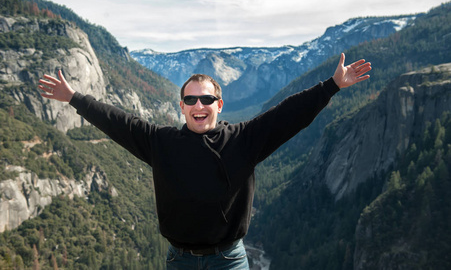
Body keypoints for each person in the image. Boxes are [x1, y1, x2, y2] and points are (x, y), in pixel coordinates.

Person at [38, 53, 371, 270]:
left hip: (230, 260)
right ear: (182, 107)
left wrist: (332, 86)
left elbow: (287, 115)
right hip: (179, 261)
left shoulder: (245, 139)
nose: (200, 104)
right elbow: (117, 121)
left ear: (220, 104)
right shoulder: (160, 142)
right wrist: (74, 98)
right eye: (191, 99)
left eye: (207, 98)